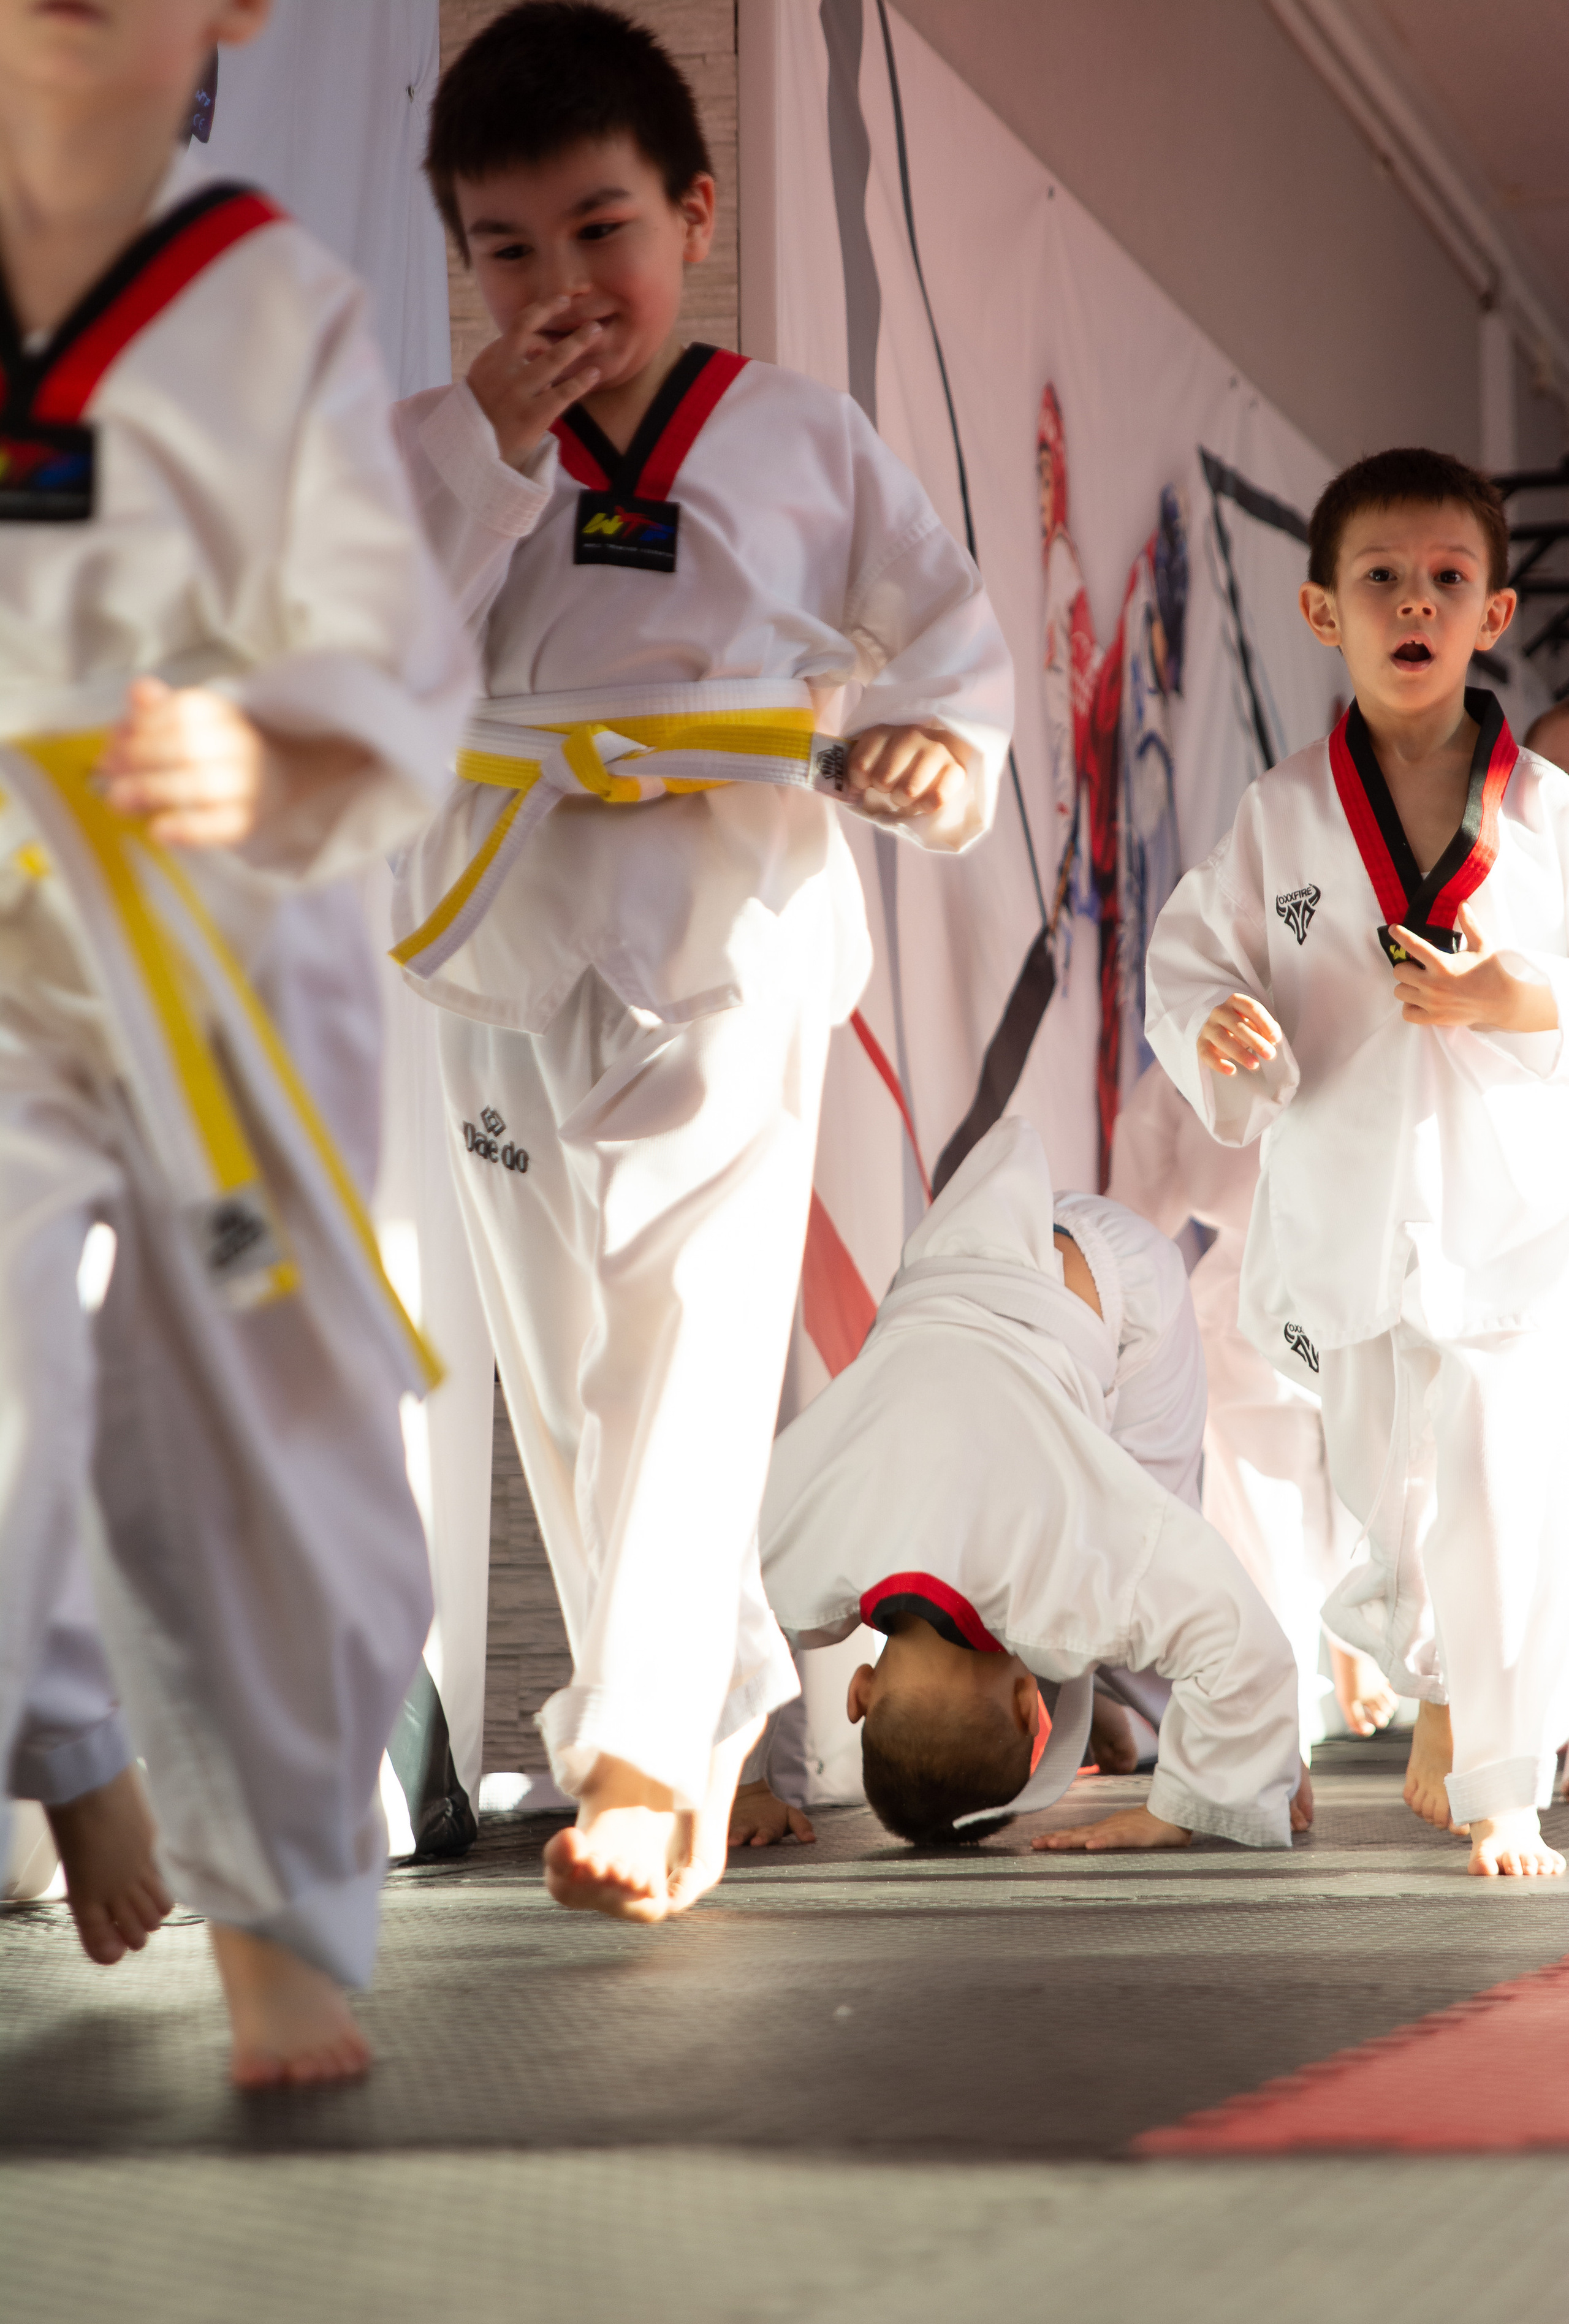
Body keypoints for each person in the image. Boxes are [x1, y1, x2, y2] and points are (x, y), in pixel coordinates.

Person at [392, 2, 1012, 1921]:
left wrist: (940, 751)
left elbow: (944, 643)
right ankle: (693, 1680)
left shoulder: (803, 439)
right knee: (575, 1364)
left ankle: (647, 1753)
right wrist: (485, 452)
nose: (563, 284)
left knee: (688, 1322)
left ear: (693, 210)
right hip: (503, 921)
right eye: (509, 249)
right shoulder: (428, 444)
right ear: (461, 262)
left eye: (602, 229)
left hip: (727, 919)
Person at [0, 0, 476, 2077]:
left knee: (268, 1417)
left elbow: (377, 621)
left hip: (220, 919)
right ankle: (62, 1725)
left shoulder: (270, 292)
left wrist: (267, 733)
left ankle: (281, 1887)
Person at [1147, 446, 1569, 1880]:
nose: (1413, 601)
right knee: (1383, 1505)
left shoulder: (1544, 816)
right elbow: (1190, 961)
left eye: (1445, 578)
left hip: (1506, 1216)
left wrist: (1513, 997)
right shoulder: (1276, 822)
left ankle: (1508, 1780)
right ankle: (1435, 1679)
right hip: (1346, 1213)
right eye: (1378, 577)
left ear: (1491, 614)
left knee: (1504, 1476)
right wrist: (1220, 1025)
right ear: (1321, 610)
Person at [754, 1119, 1305, 1853]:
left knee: (1147, 1535)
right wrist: (738, 1786)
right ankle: (1116, 1692)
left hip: (1120, 1293)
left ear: (1027, 1705)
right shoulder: (803, 1555)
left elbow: (1232, 1638)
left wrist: (1207, 1792)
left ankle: (1152, 1708)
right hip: (948, 1260)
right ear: (861, 1693)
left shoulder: (1055, 1578)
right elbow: (700, 1619)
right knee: (1115, 1565)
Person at [1110, 1057, 1398, 1753]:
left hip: (1373, 1296)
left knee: (1385, 1497)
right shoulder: (1187, 1065)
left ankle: (1347, 1635)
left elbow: (1129, 1228)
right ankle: (1280, 1722)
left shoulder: (1373, 1027)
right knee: (1263, 1521)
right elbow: (1128, 1230)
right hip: (1249, 1316)